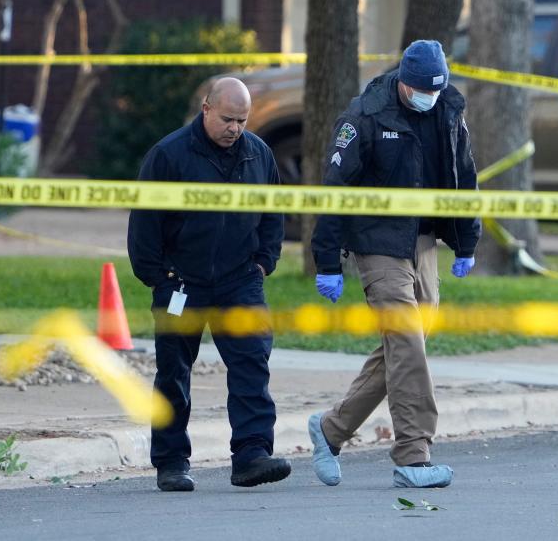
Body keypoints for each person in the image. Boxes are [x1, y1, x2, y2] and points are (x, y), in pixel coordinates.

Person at [308, 39, 481, 489]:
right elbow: (335, 188)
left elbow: (464, 176)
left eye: (436, 91)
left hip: (423, 241)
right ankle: (413, 455)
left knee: (406, 346)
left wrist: (466, 242)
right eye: (422, 90)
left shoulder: (448, 111)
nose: (428, 98)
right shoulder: (365, 116)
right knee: (406, 341)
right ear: (404, 82)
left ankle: (331, 430)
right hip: (377, 242)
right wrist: (326, 259)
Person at [127, 77, 290, 492]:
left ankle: (252, 455)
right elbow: (145, 224)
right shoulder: (169, 155)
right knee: (173, 371)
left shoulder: (258, 154)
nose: (235, 128)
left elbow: (274, 212)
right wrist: (159, 277)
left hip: (240, 281)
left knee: (252, 362)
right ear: (206, 108)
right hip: (181, 282)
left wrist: (263, 262)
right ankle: (171, 462)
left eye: (242, 120)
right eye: (227, 119)